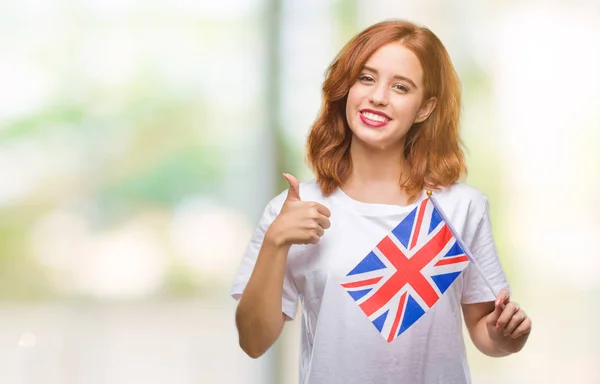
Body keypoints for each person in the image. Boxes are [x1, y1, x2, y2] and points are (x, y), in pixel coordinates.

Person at [231, 19, 532, 384]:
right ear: (346, 88)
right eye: (366, 78)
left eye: (401, 87)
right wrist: (276, 240)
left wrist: (506, 337)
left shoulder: (460, 208)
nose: (378, 96)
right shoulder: (294, 209)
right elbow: (253, 341)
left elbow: (485, 332)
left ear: (424, 108)